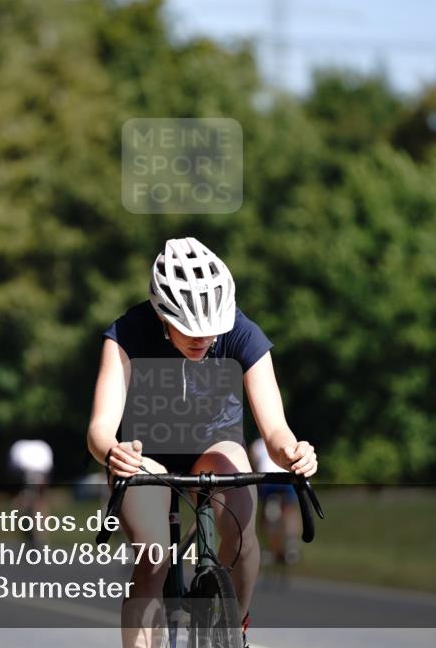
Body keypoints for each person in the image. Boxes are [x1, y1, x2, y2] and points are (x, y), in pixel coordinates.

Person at [86, 238, 318, 648]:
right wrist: (113, 453)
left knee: (242, 536)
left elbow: (275, 430)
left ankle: (235, 632)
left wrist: (293, 452)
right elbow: (100, 429)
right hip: (145, 452)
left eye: (213, 328)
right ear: (161, 314)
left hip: (216, 443)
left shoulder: (242, 333)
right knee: (153, 558)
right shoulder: (126, 333)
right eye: (190, 330)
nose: (204, 338)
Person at [249, 438, 301, 572]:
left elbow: (254, 467)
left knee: (265, 514)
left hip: (267, 480)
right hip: (285, 477)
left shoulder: (256, 445)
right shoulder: (287, 439)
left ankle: (267, 549)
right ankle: (292, 546)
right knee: (290, 510)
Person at [8, 438, 54, 545]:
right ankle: (40, 533)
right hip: (40, 468)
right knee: (40, 500)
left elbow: (12, 474)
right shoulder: (42, 447)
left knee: (20, 500)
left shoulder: (17, 447)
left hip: (26, 468)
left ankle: (31, 529)